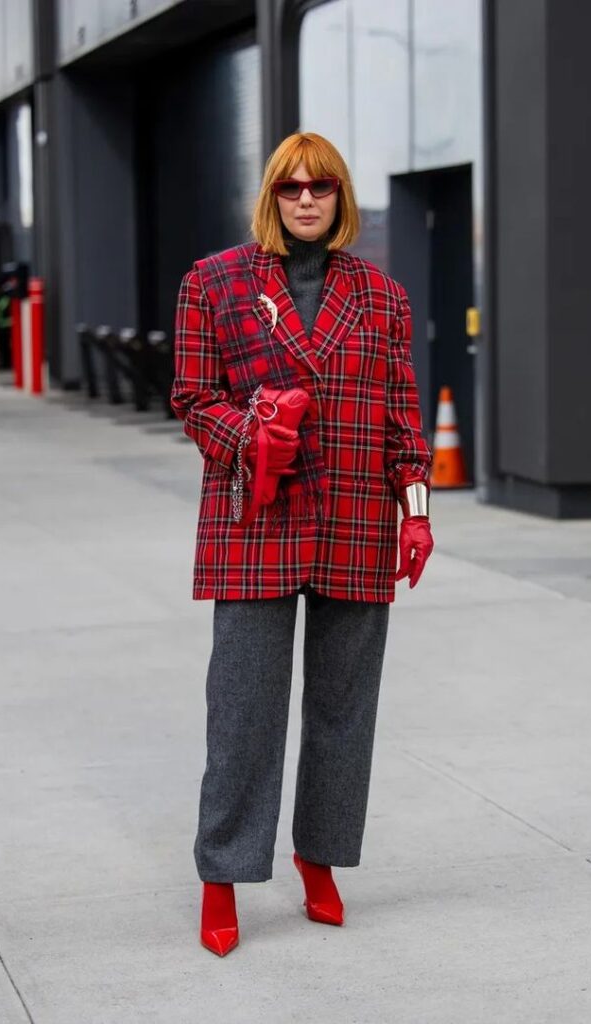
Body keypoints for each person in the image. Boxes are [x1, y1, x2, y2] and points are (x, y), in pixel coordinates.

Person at [171, 131, 435, 957]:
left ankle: (318, 857)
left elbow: (402, 415)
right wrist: (250, 436)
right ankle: (222, 873)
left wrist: (416, 507)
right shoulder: (213, 282)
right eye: (292, 187)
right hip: (257, 519)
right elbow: (190, 394)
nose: (307, 199)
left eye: (322, 186)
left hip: (358, 521)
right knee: (243, 706)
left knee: (342, 710)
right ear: (273, 197)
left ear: (342, 197)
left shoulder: (382, 296)